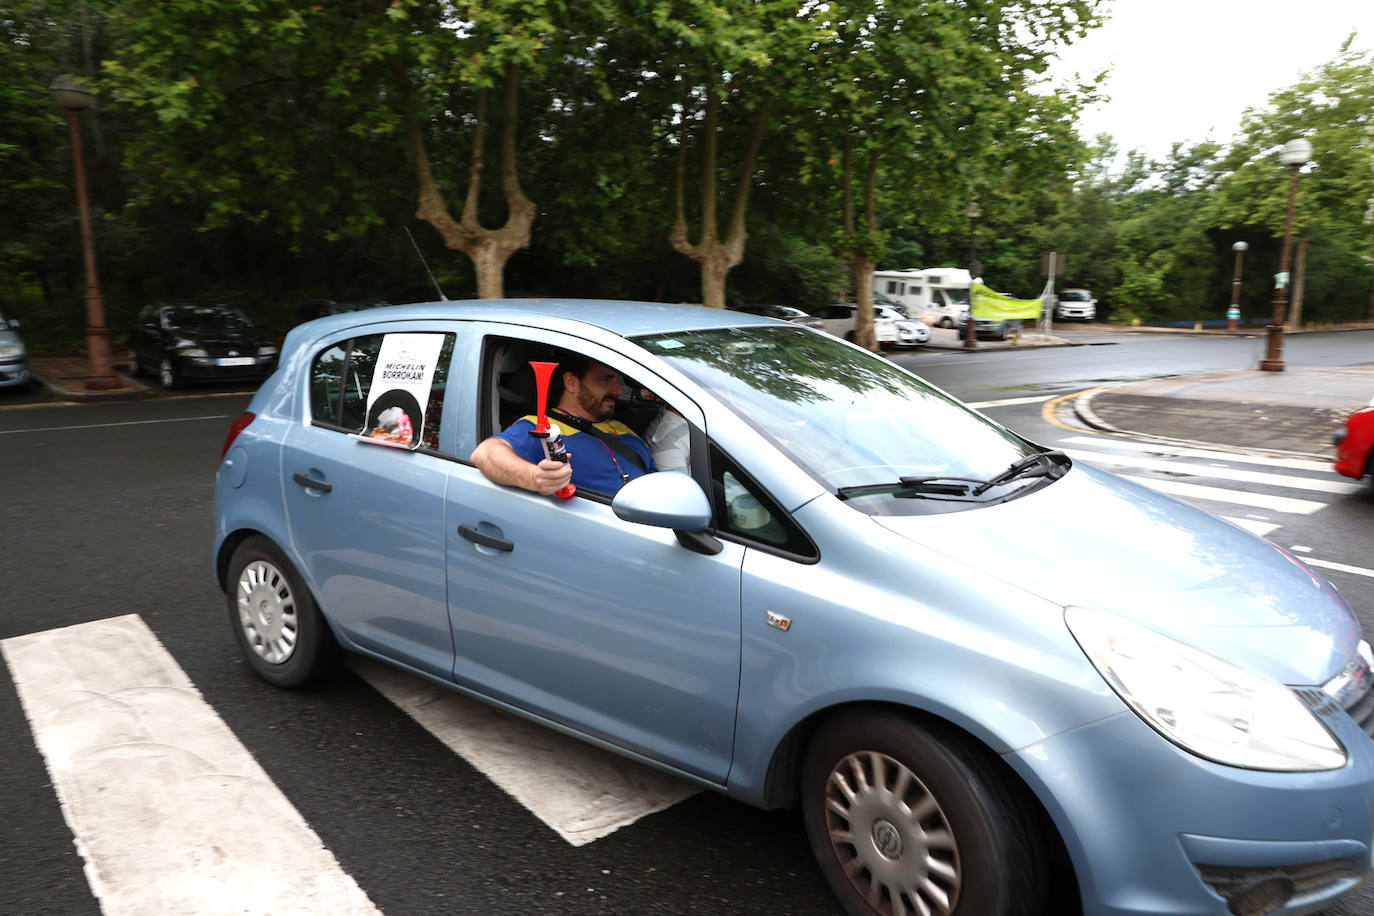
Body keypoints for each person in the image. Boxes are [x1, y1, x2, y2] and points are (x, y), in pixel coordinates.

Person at [471, 355, 656, 495]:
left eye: (617, 380)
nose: (618, 390)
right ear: (571, 383)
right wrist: (535, 477)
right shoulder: (542, 427)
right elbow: (485, 453)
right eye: (606, 380)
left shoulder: (622, 428)